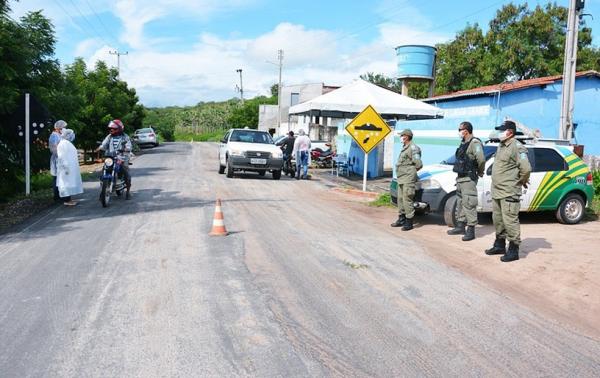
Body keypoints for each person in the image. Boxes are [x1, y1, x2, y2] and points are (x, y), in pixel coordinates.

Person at [485, 120, 531, 262]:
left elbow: (526, 168)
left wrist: (521, 181)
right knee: (498, 220)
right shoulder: (501, 145)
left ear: (510, 132)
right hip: (497, 190)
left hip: (509, 191)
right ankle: (499, 245)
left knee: (510, 220)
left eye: (502, 130)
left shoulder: (517, 147)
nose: (499, 133)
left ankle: (513, 249)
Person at [447, 121, 485, 241]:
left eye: (460, 129)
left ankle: (471, 230)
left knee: (469, 203)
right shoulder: (463, 143)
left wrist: (479, 171)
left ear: (466, 130)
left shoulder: (475, 143)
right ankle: (460, 226)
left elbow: (481, 160)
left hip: (469, 178)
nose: (459, 132)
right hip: (460, 178)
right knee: (460, 203)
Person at [391, 129, 422, 231]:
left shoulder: (413, 148)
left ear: (407, 137)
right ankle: (401, 218)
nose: (401, 137)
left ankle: (409, 222)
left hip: (408, 178)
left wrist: (411, 172)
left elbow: (418, 164)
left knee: (407, 199)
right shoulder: (405, 147)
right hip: (401, 178)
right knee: (400, 199)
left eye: (402, 135)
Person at [95, 119, 133, 199]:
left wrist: (126, 148)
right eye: (110, 129)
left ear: (119, 129)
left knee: (125, 171)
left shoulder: (125, 136)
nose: (111, 130)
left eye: (114, 129)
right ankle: (103, 190)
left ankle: (128, 191)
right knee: (104, 170)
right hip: (110, 157)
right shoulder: (109, 136)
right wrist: (99, 148)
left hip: (122, 157)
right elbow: (104, 144)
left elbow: (129, 145)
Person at [56, 128, 83, 206]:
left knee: (68, 183)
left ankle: (69, 199)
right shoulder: (63, 143)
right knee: (65, 184)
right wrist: (65, 167)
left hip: (68, 168)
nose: (73, 136)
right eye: (71, 134)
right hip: (65, 168)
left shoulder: (66, 143)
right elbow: (62, 156)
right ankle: (67, 201)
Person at [49, 120, 72, 204]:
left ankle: (62, 196)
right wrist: (60, 155)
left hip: (62, 160)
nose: (64, 129)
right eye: (62, 127)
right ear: (58, 128)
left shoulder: (60, 135)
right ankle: (57, 198)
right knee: (56, 179)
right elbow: (53, 149)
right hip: (57, 160)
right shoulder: (53, 136)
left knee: (62, 178)